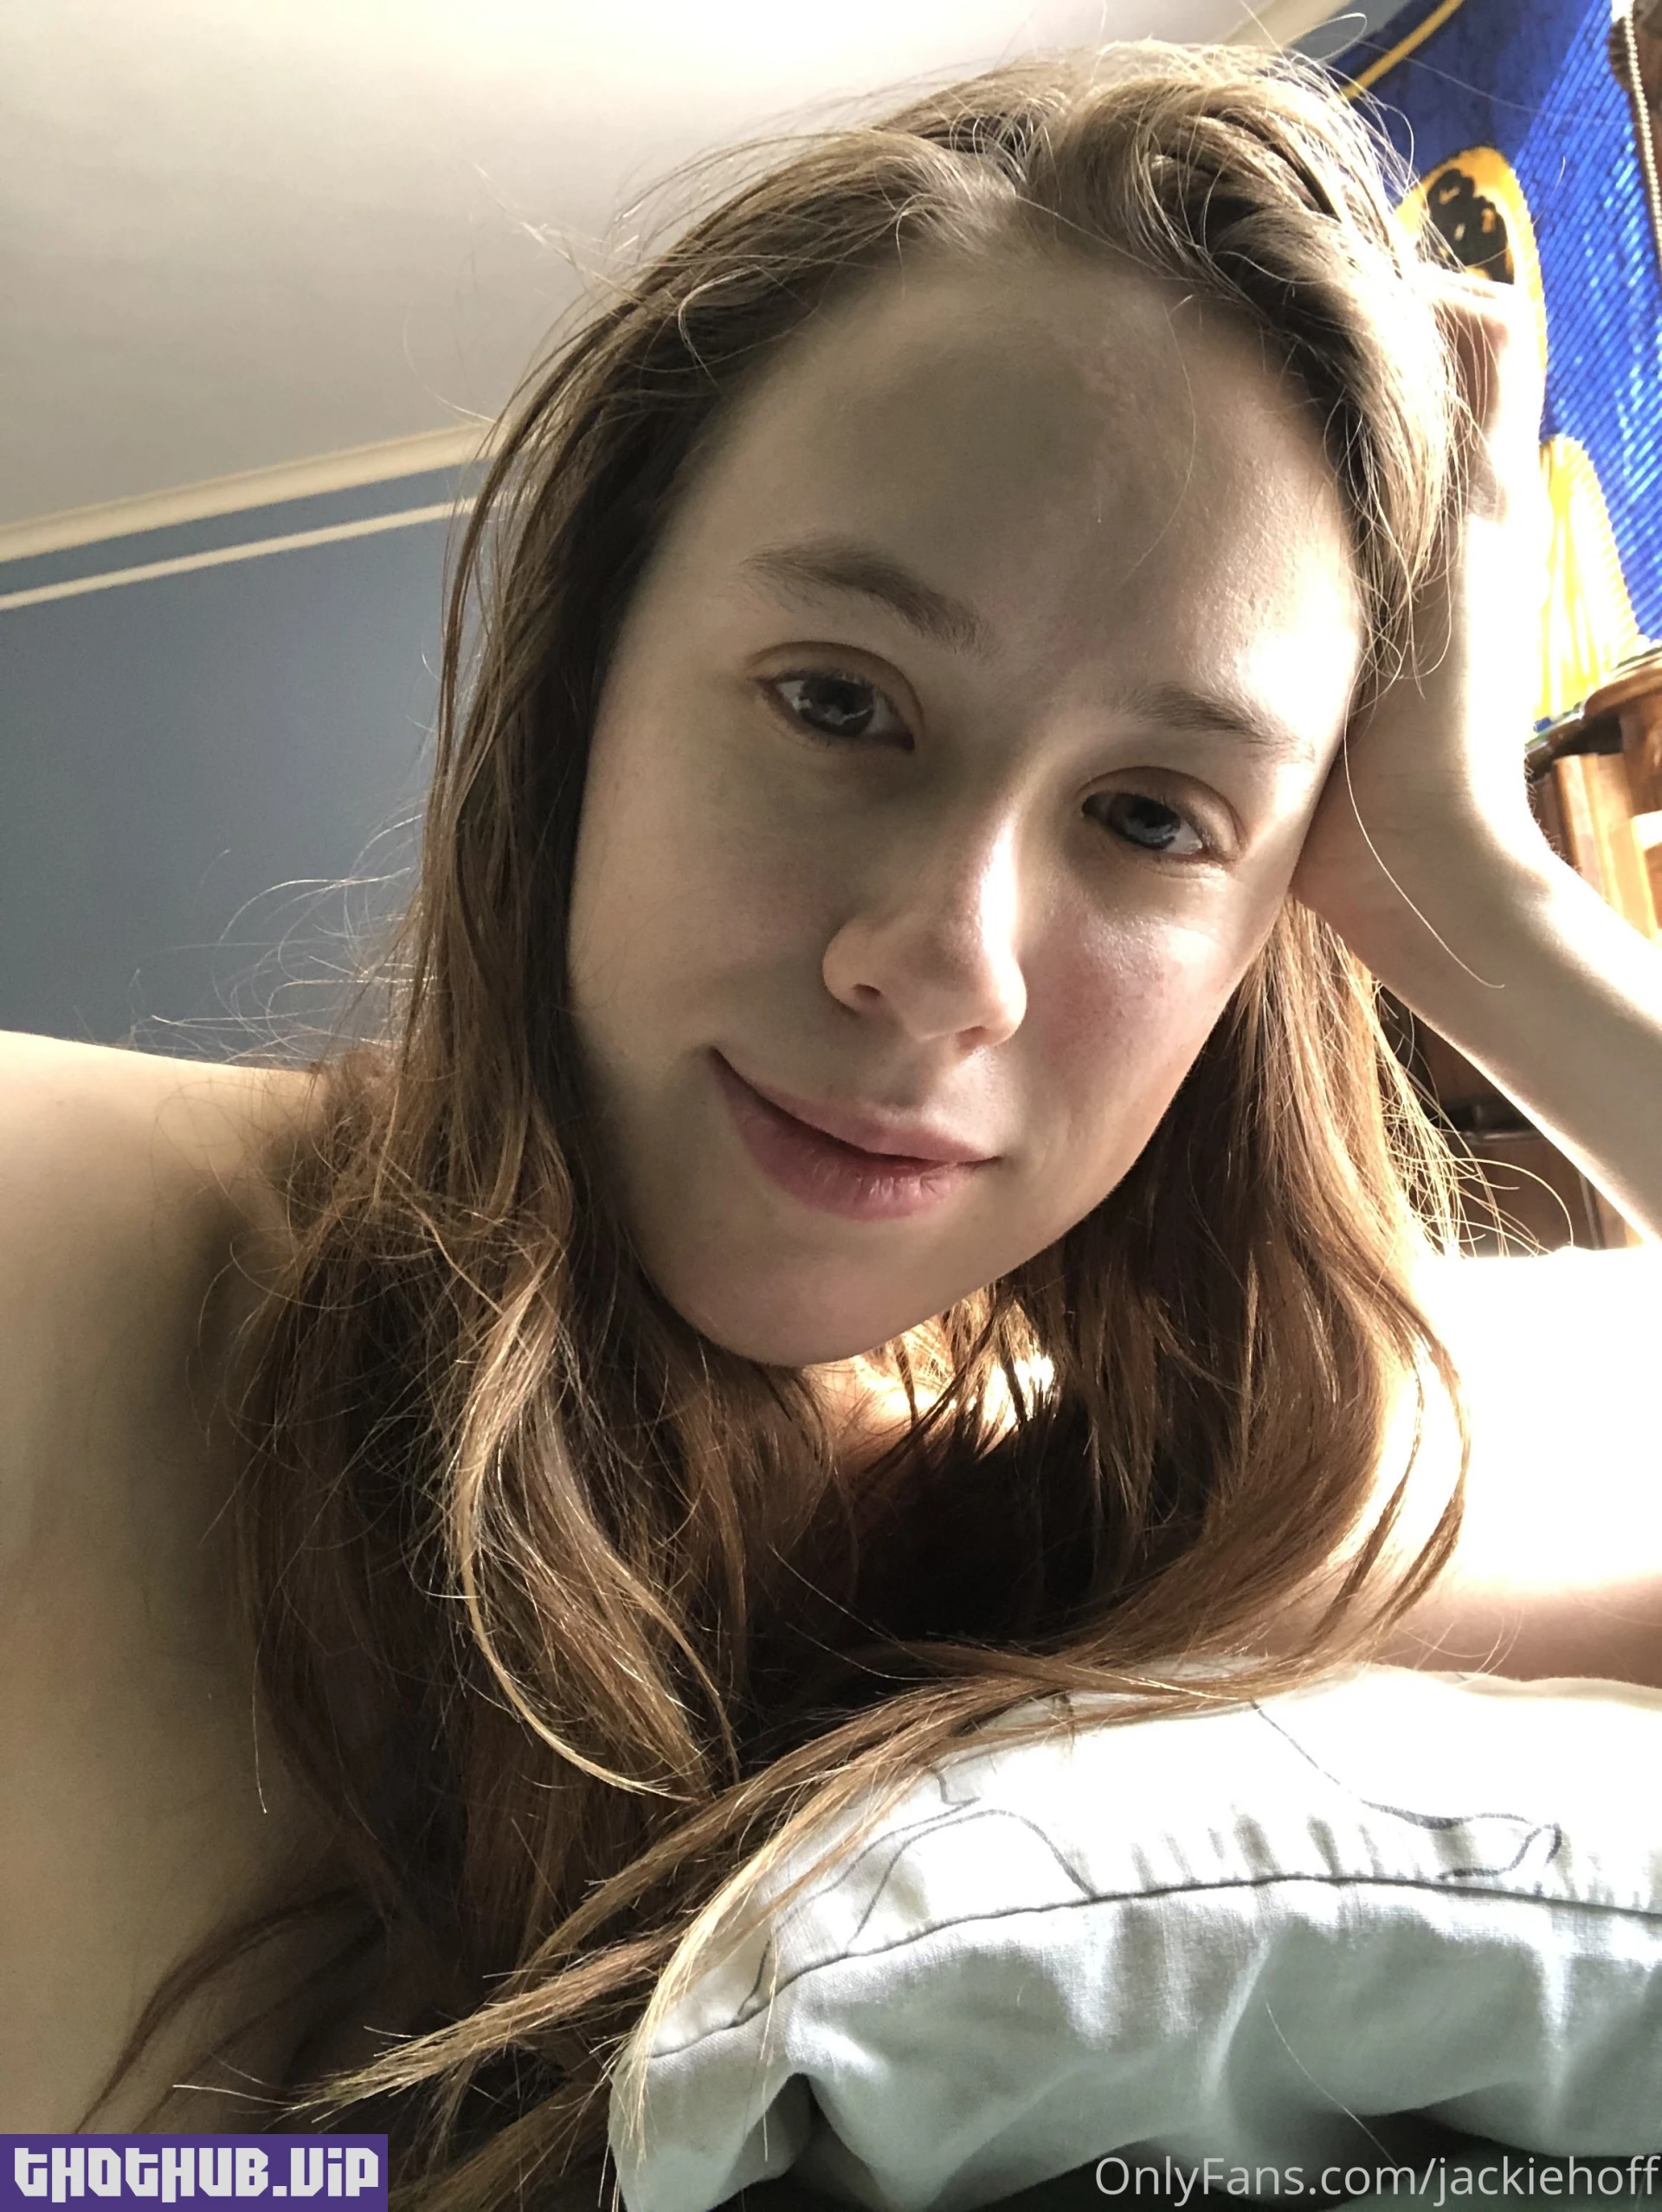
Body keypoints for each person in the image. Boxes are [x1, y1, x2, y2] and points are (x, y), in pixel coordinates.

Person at [5, 32, 1662, 2203]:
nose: (943, 959)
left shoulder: (1142, 1527)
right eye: (839, 701)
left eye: (1153, 814)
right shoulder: (80, 1253)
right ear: (587, 689)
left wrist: (1480, 880)